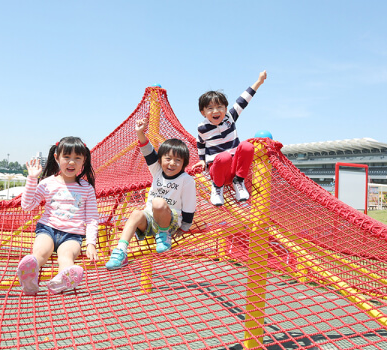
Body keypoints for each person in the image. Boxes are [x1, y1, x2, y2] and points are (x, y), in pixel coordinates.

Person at [105, 118, 197, 270]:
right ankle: (121, 251)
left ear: (184, 163)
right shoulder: (157, 171)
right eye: (168, 159)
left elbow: (189, 204)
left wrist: (185, 227)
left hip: (170, 221)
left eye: (177, 160)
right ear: (160, 160)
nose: (172, 163)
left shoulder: (186, 180)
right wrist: (140, 133)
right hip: (150, 222)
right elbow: (148, 152)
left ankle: (163, 234)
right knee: (135, 213)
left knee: (158, 203)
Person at [17, 136, 99, 295]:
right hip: (48, 229)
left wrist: (91, 243)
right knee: (41, 252)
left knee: (66, 256)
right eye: (67, 157)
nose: (71, 162)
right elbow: (27, 206)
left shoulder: (87, 188)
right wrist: (32, 179)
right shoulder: (47, 183)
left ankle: (60, 281)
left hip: (73, 235)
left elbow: (91, 218)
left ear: (84, 160)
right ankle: (29, 280)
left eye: (77, 158)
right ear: (57, 157)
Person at [193, 70, 267, 206]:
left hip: (235, 169)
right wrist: (202, 160)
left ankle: (238, 182)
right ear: (203, 113)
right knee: (224, 157)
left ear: (226, 108)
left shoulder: (230, 117)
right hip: (218, 170)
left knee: (247, 146)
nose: (215, 111)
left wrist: (259, 82)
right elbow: (200, 144)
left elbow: (243, 100)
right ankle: (217, 188)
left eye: (219, 107)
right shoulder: (202, 128)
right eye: (210, 108)